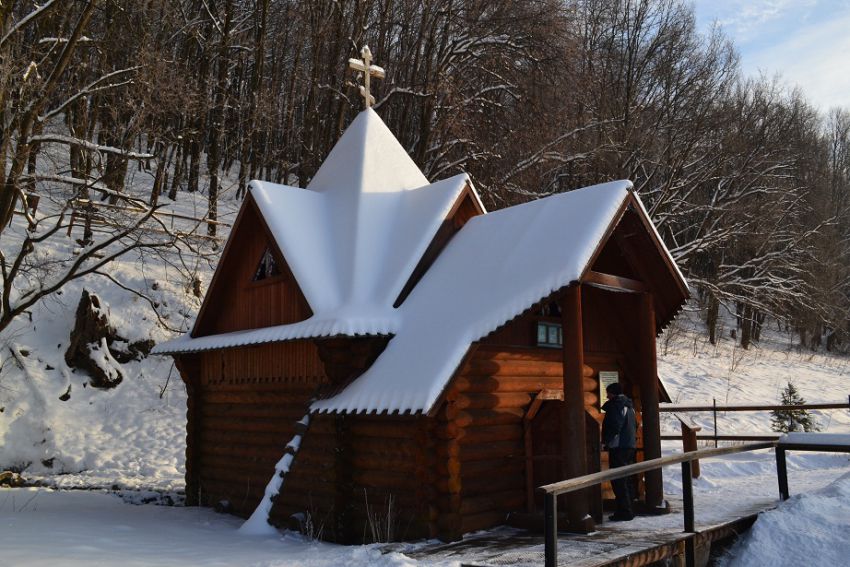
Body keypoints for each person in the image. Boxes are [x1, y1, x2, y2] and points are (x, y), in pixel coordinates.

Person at [602, 382, 637, 521]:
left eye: (608, 392)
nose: (606, 395)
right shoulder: (629, 405)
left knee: (618, 480)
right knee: (626, 479)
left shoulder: (616, 405)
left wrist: (606, 441)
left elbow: (615, 426)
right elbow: (636, 424)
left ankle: (624, 511)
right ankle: (630, 509)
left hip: (619, 447)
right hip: (629, 446)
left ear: (613, 393)